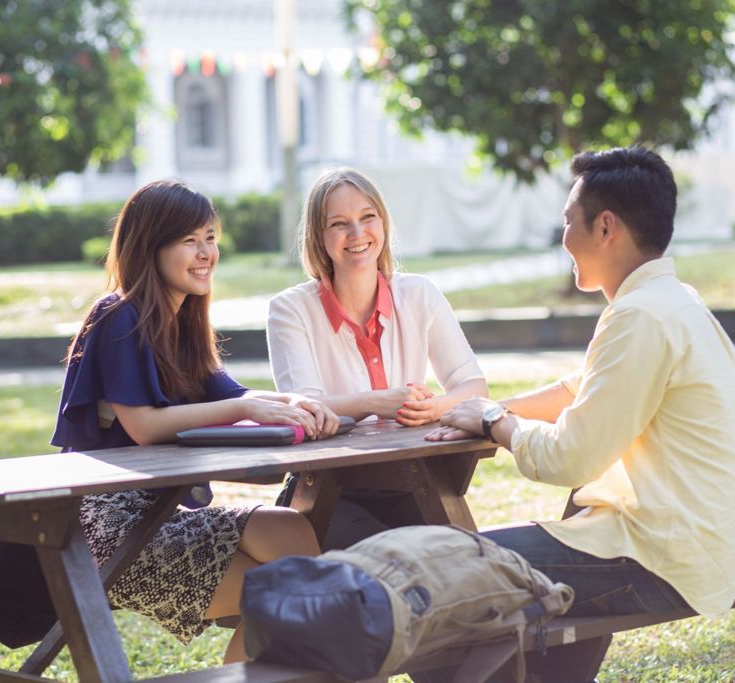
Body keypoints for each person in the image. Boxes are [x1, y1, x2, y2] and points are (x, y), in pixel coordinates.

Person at [429, 146, 735, 623]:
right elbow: (582, 387)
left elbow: (569, 457)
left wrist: (492, 420)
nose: (562, 237)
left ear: (605, 227)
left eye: (568, 221)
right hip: (687, 556)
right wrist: (489, 407)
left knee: (438, 568)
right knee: (451, 572)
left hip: (657, 562)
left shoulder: (640, 315)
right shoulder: (673, 300)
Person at [50, 179, 338, 662]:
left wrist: (299, 402)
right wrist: (244, 410)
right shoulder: (119, 315)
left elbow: (239, 395)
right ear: (150, 247)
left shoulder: (184, 324)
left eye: (210, 237)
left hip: (159, 516)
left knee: (291, 535)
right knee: (289, 591)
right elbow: (143, 425)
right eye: (190, 240)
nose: (207, 252)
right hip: (106, 530)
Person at [266, 168, 488, 549]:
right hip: (328, 490)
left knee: (463, 560)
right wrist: (374, 403)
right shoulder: (290, 310)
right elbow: (304, 409)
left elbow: (474, 386)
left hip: (414, 480)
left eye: (367, 217)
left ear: (382, 223)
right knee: (388, 570)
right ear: (319, 238)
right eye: (339, 223)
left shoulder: (420, 294)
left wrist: (435, 408)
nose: (357, 234)